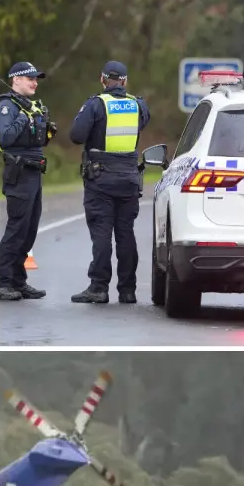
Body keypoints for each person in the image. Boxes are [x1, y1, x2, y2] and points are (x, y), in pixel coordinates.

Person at [68, 60, 150, 304]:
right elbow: (141, 124)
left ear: (102, 79)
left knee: (102, 233)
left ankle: (99, 287)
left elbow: (76, 136)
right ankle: (127, 290)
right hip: (129, 178)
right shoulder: (138, 105)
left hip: (100, 178)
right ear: (125, 81)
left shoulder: (96, 104)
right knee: (126, 233)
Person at [0, 61, 57, 301]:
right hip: (19, 173)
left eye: (36, 79)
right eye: (30, 78)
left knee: (30, 230)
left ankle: (19, 281)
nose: (35, 82)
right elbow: (4, 138)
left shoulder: (31, 106)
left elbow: (37, 141)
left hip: (34, 172)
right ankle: (2, 282)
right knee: (16, 229)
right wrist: (24, 116)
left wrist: (46, 129)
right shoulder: (7, 106)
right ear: (16, 79)